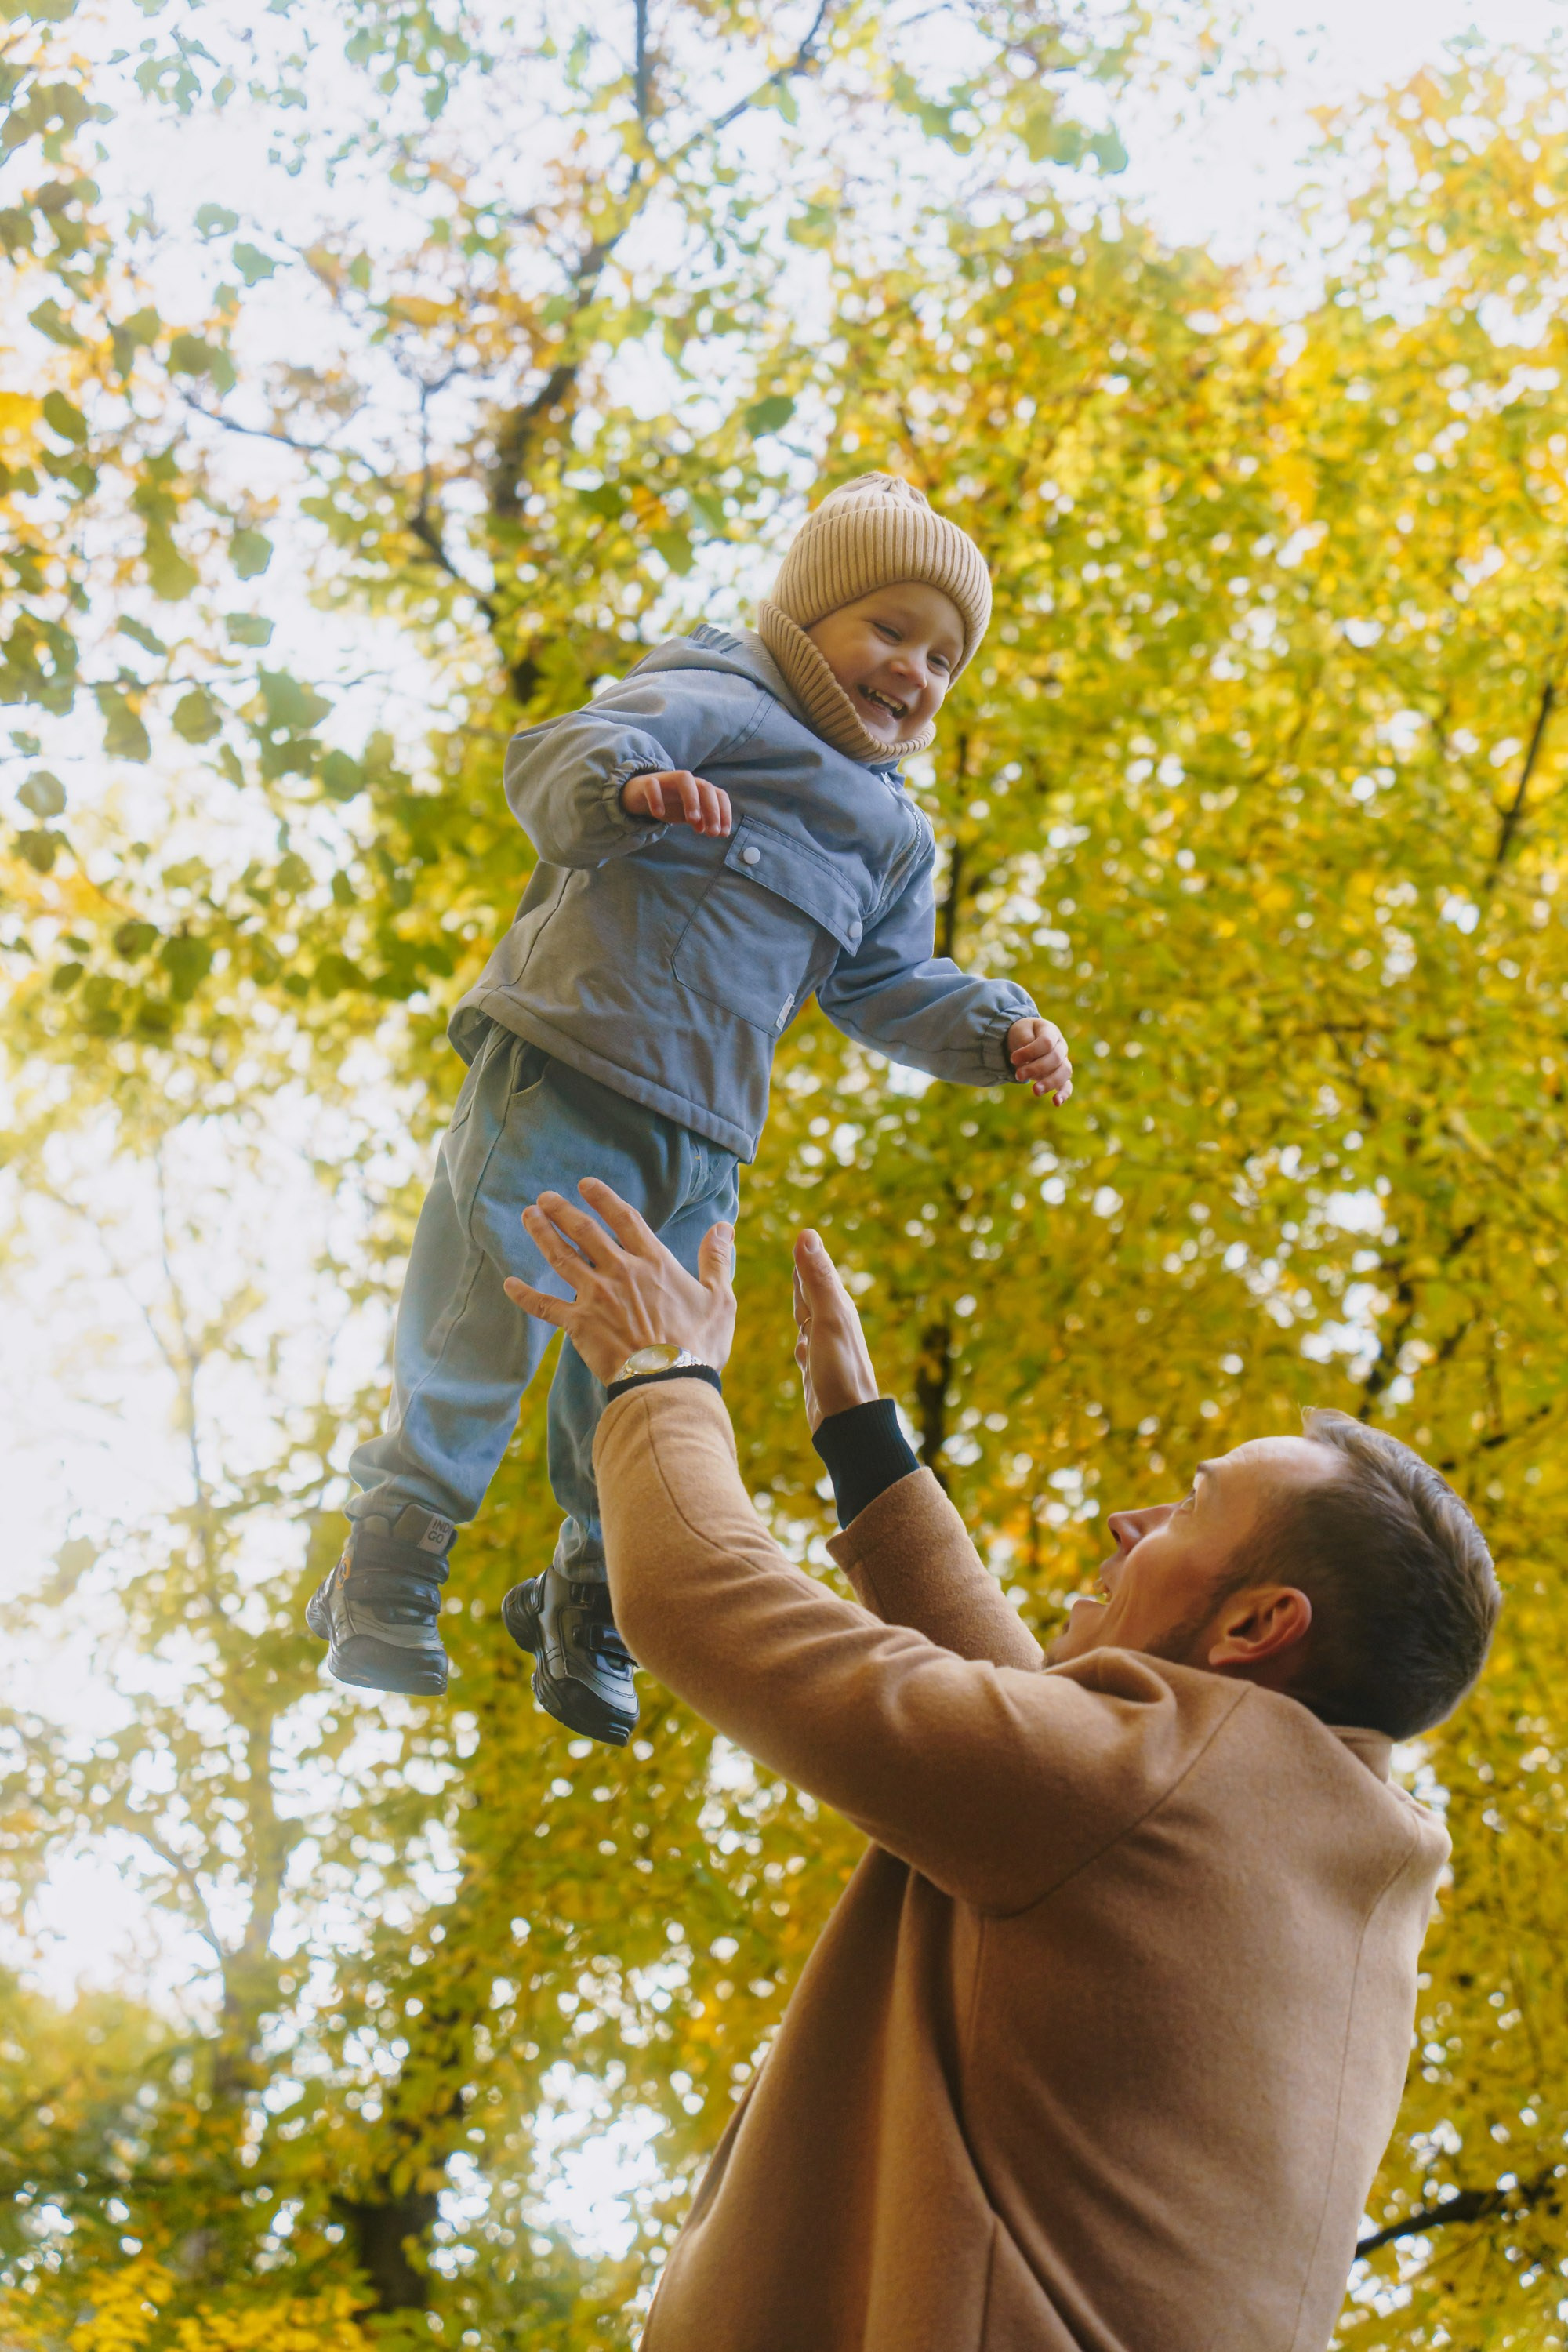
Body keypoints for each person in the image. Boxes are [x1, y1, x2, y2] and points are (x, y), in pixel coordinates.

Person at [502, 1176, 1501, 2352]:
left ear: (1252, 1629)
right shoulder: (1319, 1858)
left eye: (1191, 1506)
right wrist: (867, 1448)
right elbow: (1047, 1763)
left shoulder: (1144, 1798)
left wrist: (657, 1371)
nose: (1134, 1520)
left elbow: (697, 1599)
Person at [307, 473, 1073, 1740]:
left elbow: (887, 984)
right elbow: (562, 756)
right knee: (485, 1308)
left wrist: (998, 1031)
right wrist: (632, 791)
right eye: (888, 629)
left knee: (654, 1368)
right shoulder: (719, 700)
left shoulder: (892, 837)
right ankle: (392, 1553)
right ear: (806, 619)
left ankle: (588, 1593)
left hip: (703, 1137)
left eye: (944, 658)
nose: (915, 672)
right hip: (569, 1055)